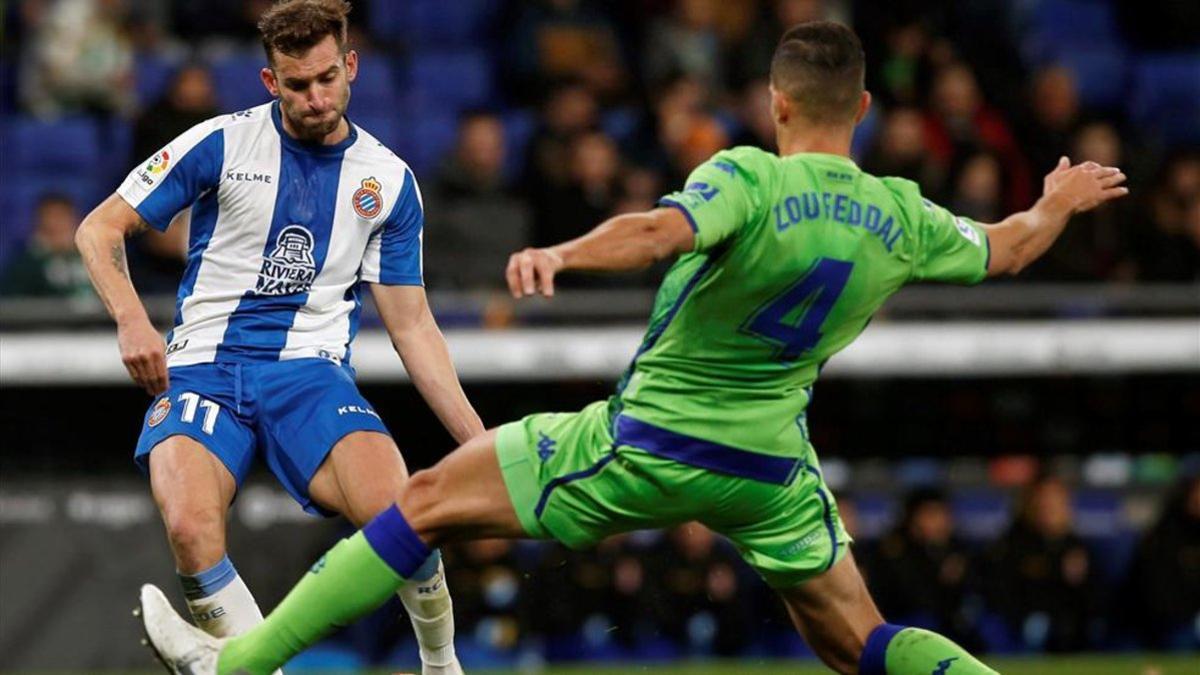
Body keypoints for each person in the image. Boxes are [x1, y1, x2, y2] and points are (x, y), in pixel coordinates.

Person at [140, 20, 1128, 675]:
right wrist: (1056, 201)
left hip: (650, 442)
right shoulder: (900, 212)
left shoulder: (751, 177)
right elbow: (1007, 250)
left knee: (424, 503)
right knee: (860, 642)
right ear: (862, 110)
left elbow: (662, 232)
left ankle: (233, 666)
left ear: (779, 105)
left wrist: (564, 252)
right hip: (773, 468)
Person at [75, 2, 481, 674]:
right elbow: (99, 228)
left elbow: (412, 324)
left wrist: (476, 440)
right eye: (297, 85)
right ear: (270, 82)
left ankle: (441, 664)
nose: (315, 97)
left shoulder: (387, 181)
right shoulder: (222, 142)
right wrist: (129, 316)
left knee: (401, 514)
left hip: (309, 373)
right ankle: (253, 667)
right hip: (204, 367)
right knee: (188, 525)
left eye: (327, 78)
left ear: (350, 67)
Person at [0, 192, 94, 301]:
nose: (55, 224)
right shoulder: (25, 263)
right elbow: (12, 303)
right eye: (51, 217)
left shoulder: (92, 256)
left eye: (61, 217)